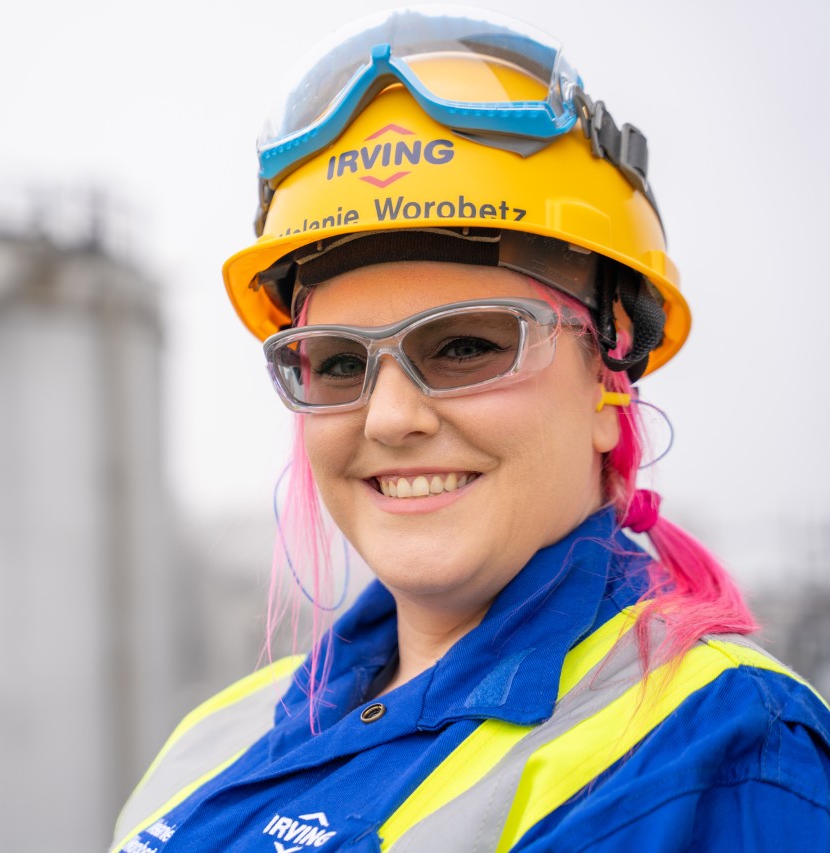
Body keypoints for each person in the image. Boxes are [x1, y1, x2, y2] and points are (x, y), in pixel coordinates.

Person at [111, 7, 830, 851]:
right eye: (338, 362)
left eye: (466, 346)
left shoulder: (713, 754)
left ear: (609, 373)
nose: (389, 417)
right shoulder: (218, 738)